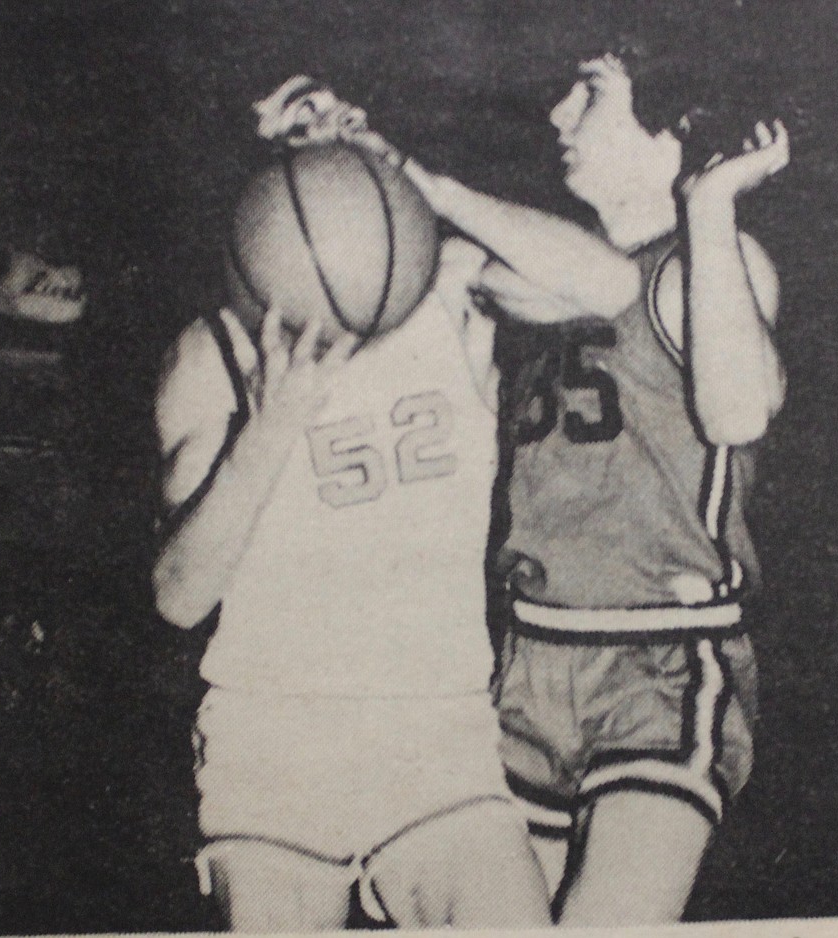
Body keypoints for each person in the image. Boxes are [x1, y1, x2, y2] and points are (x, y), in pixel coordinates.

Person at [150, 77, 646, 931]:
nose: (329, 123)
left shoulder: (449, 284)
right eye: (294, 117)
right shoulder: (213, 356)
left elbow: (612, 287)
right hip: (276, 741)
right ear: (259, 181)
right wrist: (272, 426)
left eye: (336, 105)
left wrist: (431, 186)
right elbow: (179, 595)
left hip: (437, 735)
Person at [376, 51, 789, 924]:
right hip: (529, 662)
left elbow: (740, 410)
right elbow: (405, 263)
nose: (559, 115)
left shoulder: (709, 259)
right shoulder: (552, 271)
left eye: (590, 93)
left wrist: (710, 205)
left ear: (674, 133)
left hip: (657, 657)